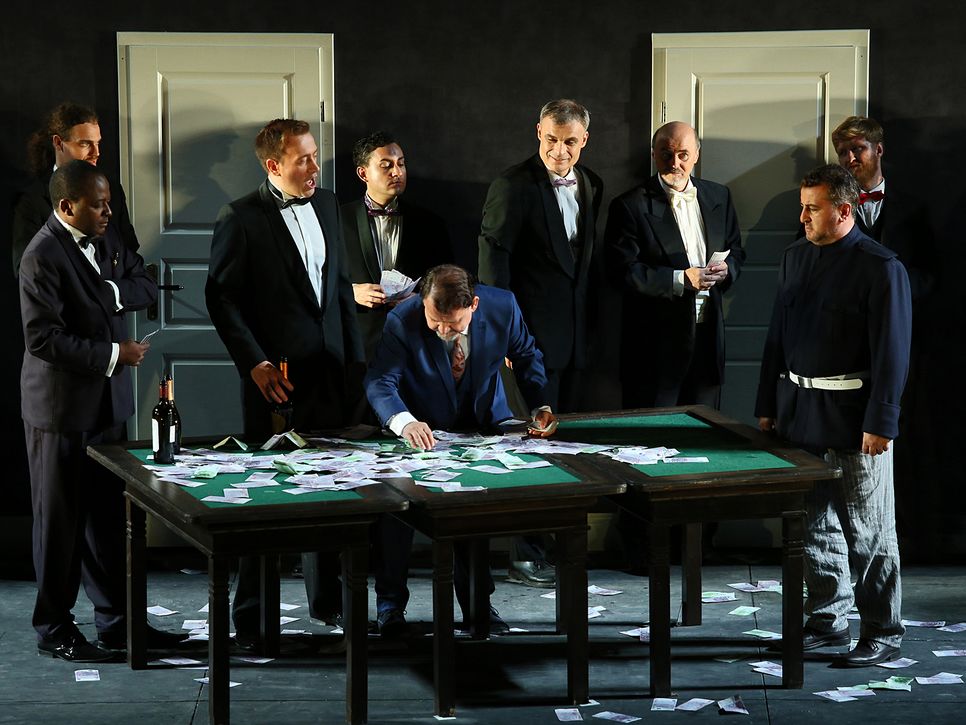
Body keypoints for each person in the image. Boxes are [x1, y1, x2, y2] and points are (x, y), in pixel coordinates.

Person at [205, 118, 365, 646]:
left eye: (315, 155)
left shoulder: (328, 204)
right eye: (304, 159)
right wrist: (254, 363)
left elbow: (339, 288)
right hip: (276, 380)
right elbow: (221, 299)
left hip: (331, 372)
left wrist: (355, 363)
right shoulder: (240, 218)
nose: (315, 166)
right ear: (274, 165)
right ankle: (252, 620)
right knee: (266, 499)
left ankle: (329, 604)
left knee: (333, 490)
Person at [755, 164, 911, 667]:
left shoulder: (880, 267)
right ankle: (827, 620)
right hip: (799, 413)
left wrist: (881, 422)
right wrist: (766, 405)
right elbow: (777, 335)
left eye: (812, 208)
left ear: (845, 210)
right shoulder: (795, 257)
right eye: (802, 207)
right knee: (812, 525)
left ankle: (883, 630)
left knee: (869, 530)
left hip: (854, 418)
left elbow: (892, 353)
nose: (802, 217)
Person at [19, 160, 175, 662]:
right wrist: (114, 354)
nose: (109, 212)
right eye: (99, 205)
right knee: (59, 524)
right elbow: (43, 339)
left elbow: (144, 285)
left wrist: (108, 292)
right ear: (67, 207)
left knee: (109, 522)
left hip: (108, 408)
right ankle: (54, 628)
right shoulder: (41, 256)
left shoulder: (106, 239)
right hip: (61, 412)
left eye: (109, 203)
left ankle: (118, 624)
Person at [365, 264, 557, 635]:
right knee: (397, 516)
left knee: (472, 516)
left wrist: (540, 405)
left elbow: (526, 355)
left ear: (475, 305)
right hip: (419, 428)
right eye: (434, 321)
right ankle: (390, 608)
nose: (442, 331)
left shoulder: (503, 307)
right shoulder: (403, 319)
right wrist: (405, 422)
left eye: (452, 324)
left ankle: (477, 607)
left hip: (481, 425)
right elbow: (380, 382)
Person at [477, 98, 602, 587]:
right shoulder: (512, 185)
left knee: (567, 446)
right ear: (538, 133)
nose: (559, 151)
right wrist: (504, 335)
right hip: (526, 340)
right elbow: (493, 263)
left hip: (576, 338)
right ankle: (525, 554)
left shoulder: (592, 184)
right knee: (529, 444)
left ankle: (559, 546)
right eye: (551, 139)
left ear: (584, 140)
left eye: (569, 142)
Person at [604, 121, 745, 410]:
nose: (675, 163)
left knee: (706, 427)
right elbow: (621, 271)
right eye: (666, 154)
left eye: (683, 155)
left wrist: (728, 269)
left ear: (697, 155)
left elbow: (737, 251)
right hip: (654, 347)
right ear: (653, 154)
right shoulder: (629, 205)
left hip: (708, 339)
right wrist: (681, 279)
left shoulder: (720, 196)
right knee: (653, 430)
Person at [342, 131, 452, 360]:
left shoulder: (430, 223)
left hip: (416, 342)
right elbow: (316, 281)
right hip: (358, 347)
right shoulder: (337, 219)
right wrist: (350, 292)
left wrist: (422, 299)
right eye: (386, 165)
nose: (397, 172)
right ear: (363, 173)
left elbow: (448, 280)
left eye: (401, 164)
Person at [13, 101, 138, 277]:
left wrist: (112, 289)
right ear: (58, 143)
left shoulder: (113, 190)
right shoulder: (32, 199)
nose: (96, 152)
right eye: (85, 144)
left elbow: (130, 251)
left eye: (98, 143)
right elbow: (25, 268)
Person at [831, 116, 936, 302]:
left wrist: (897, 293)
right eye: (843, 152)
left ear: (878, 149)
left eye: (857, 148)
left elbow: (928, 272)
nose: (850, 158)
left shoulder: (914, 208)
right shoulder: (830, 208)